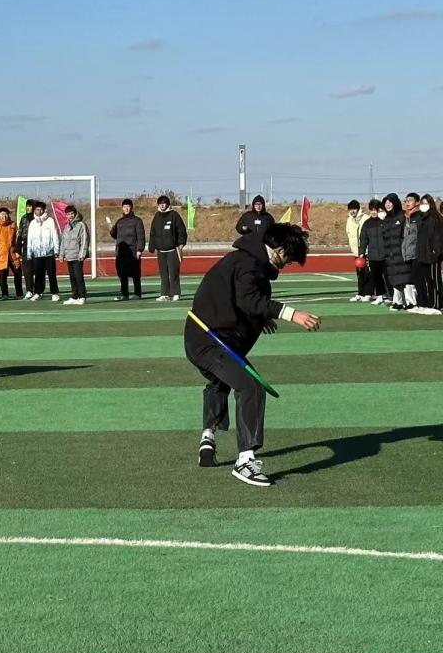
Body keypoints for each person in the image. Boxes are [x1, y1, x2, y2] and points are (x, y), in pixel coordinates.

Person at [185, 223, 320, 486]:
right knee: (251, 386)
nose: (288, 264)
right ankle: (245, 461)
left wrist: (260, 318)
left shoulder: (245, 259)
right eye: (289, 259)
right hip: (209, 340)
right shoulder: (248, 264)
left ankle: (208, 438)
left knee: (221, 380)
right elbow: (248, 300)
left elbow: (237, 300)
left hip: (203, 337)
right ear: (279, 250)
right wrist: (292, 313)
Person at [147, 195, 187, 301]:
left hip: (172, 250)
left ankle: (176, 293)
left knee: (173, 273)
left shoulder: (174, 215)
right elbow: (153, 232)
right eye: (160, 204)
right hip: (161, 251)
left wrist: (181, 243)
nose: (162, 205)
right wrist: (152, 246)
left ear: (168, 204)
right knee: (163, 274)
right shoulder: (157, 216)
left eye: (164, 203)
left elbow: (181, 230)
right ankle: (165, 294)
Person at [381, 193, 413, 310]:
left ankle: (411, 302)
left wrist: (406, 250)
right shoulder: (386, 220)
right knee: (395, 278)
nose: (388, 205)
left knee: (406, 278)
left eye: (390, 202)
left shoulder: (403, 216)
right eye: (386, 203)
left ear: (395, 203)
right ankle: (398, 301)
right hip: (390, 254)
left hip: (402, 253)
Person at [110, 199, 145, 300]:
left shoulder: (137, 221)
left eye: (128, 206)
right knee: (122, 273)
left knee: (135, 273)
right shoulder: (119, 221)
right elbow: (114, 235)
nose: (126, 208)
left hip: (133, 251)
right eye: (124, 207)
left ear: (131, 208)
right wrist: (112, 230)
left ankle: (137, 293)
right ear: (122, 208)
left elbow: (141, 236)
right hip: (121, 252)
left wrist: (139, 250)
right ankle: (124, 294)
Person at [413, 194, 443, 314]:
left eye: (426, 203)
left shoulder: (435, 219)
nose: (423, 206)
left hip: (433, 256)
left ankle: (438, 304)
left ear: (431, 204)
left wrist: (435, 252)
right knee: (427, 281)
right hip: (423, 255)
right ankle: (430, 303)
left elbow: (438, 238)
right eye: (422, 203)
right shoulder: (422, 219)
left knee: (434, 281)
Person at [26, 201, 60, 301]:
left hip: (49, 253)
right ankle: (38, 292)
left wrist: (56, 249)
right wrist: (29, 252)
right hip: (37, 253)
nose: (39, 211)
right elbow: (29, 238)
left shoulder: (50, 221)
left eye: (41, 209)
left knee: (51, 274)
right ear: (34, 210)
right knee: (38, 274)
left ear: (44, 210)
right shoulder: (32, 223)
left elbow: (55, 235)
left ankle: (54, 293)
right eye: (37, 209)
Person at [358, 199, 389, 305]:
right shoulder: (367, 223)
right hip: (373, 255)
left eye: (376, 210)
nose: (373, 212)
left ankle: (391, 295)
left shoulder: (384, 222)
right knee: (376, 276)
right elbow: (363, 239)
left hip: (386, 254)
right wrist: (361, 252)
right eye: (372, 210)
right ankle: (380, 296)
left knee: (388, 276)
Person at [0, 207, 22, 300]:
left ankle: (19, 293)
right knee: (3, 276)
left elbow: (17, 239)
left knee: (18, 273)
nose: (4, 216)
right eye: (2, 214)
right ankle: (4, 294)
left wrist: (18, 251)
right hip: (1, 255)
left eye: (6, 214)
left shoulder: (13, 225)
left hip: (12, 254)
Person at [59, 204, 88, 304]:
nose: (70, 216)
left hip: (77, 256)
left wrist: (82, 254)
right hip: (69, 256)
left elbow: (85, 240)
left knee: (79, 277)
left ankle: (82, 296)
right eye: (68, 214)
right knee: (72, 277)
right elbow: (63, 241)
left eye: (72, 214)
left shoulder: (81, 225)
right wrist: (61, 254)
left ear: (75, 214)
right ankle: (74, 296)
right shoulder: (66, 227)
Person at [345, 199, 371, 302]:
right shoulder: (349, 220)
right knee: (359, 274)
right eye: (350, 209)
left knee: (367, 273)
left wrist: (366, 249)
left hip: (366, 251)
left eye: (354, 209)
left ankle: (368, 293)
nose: (352, 211)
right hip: (356, 252)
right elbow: (348, 233)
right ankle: (360, 293)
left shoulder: (365, 218)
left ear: (358, 209)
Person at [15, 200, 36, 299]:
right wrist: (17, 249)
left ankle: (38, 290)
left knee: (37, 269)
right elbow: (20, 233)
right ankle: (29, 290)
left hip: (37, 245)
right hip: (26, 244)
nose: (28, 208)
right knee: (27, 269)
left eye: (30, 206)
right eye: (27, 206)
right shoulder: (23, 218)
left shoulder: (37, 218)